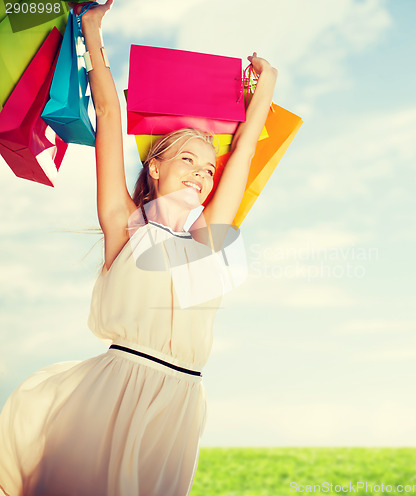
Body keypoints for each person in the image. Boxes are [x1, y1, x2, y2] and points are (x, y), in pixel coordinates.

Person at [0, 1, 277, 495]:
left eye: (208, 168)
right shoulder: (126, 227)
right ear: (154, 167)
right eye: (188, 159)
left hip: (183, 401)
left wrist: (266, 89)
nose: (200, 172)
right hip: (117, 392)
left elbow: (248, 148)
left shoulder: (207, 240)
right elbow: (109, 112)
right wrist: (90, 29)